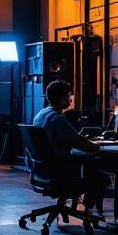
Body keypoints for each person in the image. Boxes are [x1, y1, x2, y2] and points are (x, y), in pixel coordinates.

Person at [32, 80, 108, 213]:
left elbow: (65, 139)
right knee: (101, 177)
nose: (71, 101)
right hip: (59, 171)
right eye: (69, 97)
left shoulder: (41, 114)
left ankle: (79, 208)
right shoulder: (57, 118)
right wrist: (98, 147)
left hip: (43, 170)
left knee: (88, 164)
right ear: (62, 99)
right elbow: (77, 142)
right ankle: (87, 211)